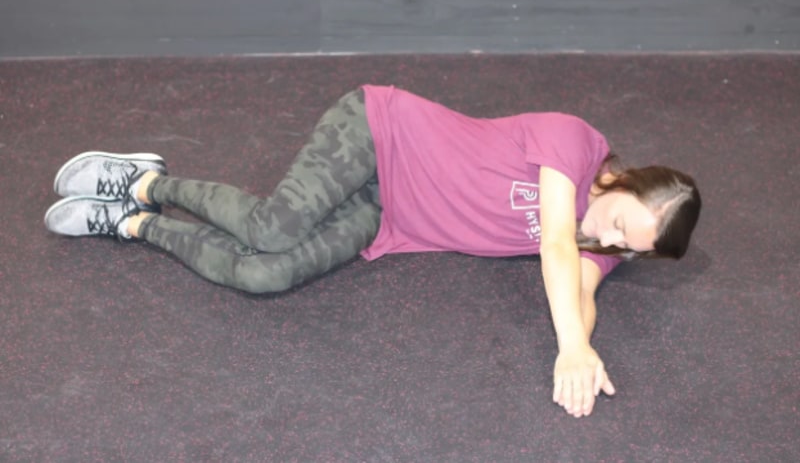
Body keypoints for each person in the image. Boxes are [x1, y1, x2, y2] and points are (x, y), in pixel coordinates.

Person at [44, 85, 701, 418]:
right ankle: (145, 180)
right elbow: (556, 244)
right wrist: (569, 346)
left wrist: (582, 346)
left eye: (626, 248)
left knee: (266, 272)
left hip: (388, 215)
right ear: (616, 179)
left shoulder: (604, 241)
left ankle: (129, 223)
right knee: (273, 226)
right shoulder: (575, 144)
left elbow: (580, 289)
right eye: (616, 221)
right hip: (379, 133)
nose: (606, 239)